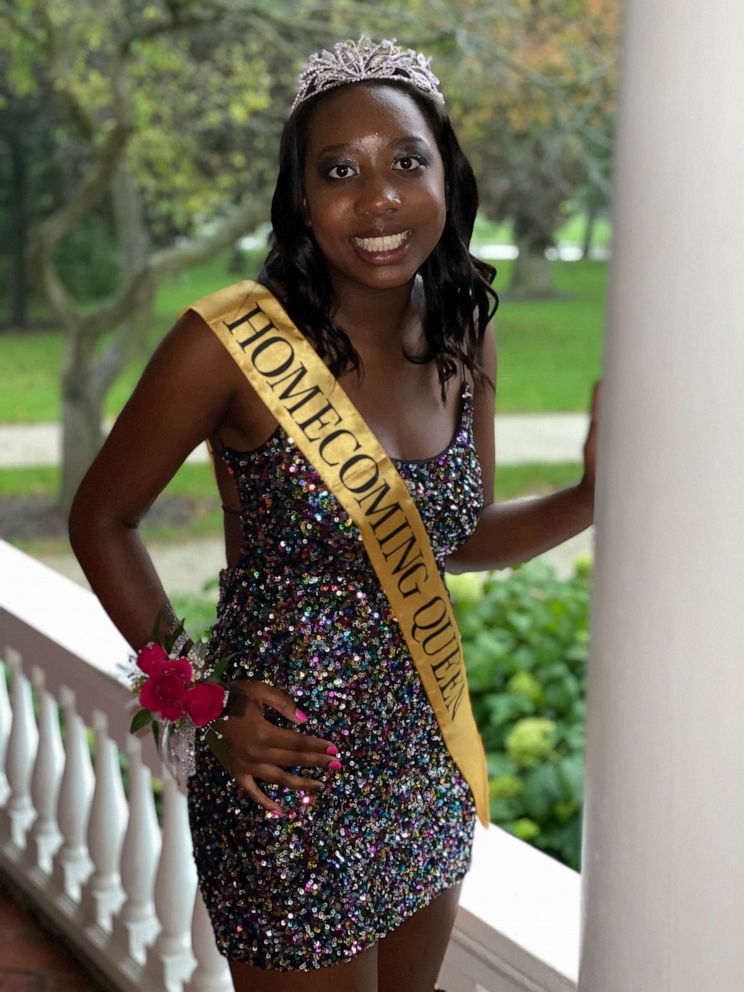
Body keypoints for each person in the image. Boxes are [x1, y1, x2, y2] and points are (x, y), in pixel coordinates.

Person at [69, 37, 599, 992]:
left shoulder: (462, 328)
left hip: (421, 760)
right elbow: (101, 519)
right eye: (340, 171)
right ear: (302, 200)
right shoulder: (224, 344)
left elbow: (458, 536)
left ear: (447, 170)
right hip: (287, 770)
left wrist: (592, 499)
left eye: (407, 161)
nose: (381, 198)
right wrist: (199, 698)